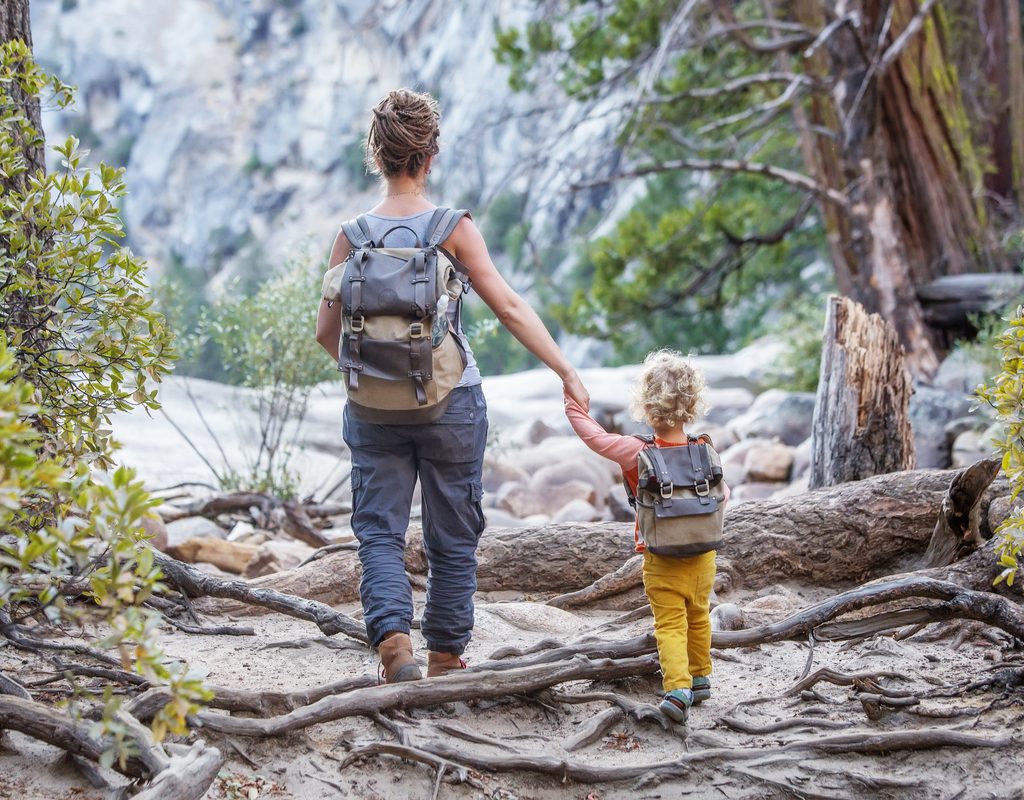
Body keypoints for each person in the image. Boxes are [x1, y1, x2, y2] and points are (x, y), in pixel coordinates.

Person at [316, 88, 589, 683]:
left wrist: (375, 372)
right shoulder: (452, 228)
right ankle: (445, 657)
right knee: (453, 535)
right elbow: (509, 307)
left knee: (379, 533)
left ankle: (394, 647)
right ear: (430, 156)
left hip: (371, 409)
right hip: (452, 405)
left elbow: (324, 333)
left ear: (376, 155)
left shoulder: (351, 236)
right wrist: (565, 371)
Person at [563, 349, 728, 724]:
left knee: (669, 623)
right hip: (704, 555)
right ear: (692, 405)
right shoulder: (704, 451)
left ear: (648, 406)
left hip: (661, 556)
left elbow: (595, 438)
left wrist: (572, 402)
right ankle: (700, 677)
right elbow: (724, 496)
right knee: (699, 615)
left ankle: (678, 690)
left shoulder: (638, 452)